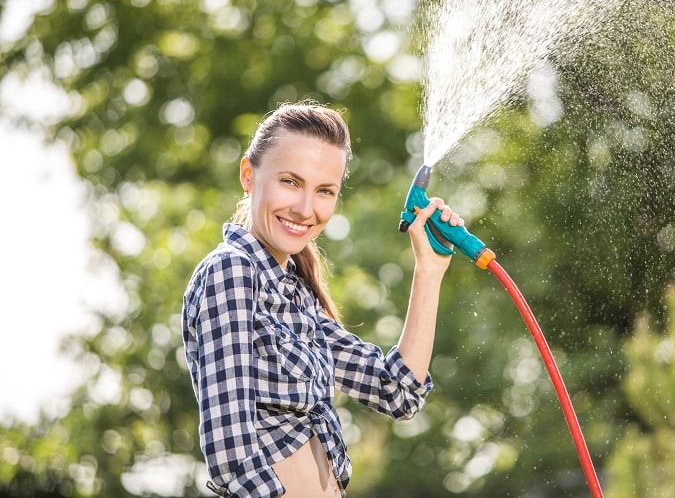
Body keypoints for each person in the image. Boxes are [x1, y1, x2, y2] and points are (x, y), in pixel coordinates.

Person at [181, 101, 464, 496]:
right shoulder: (231, 271)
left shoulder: (297, 295)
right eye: (290, 182)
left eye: (325, 191)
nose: (305, 208)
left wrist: (429, 272)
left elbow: (396, 392)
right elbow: (232, 452)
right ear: (249, 174)